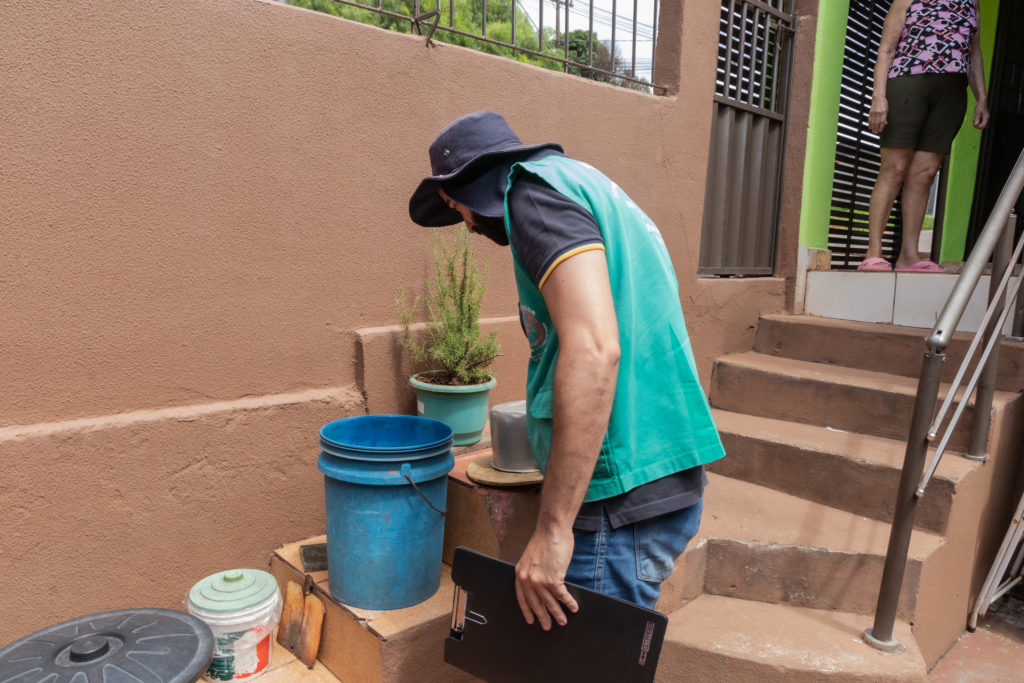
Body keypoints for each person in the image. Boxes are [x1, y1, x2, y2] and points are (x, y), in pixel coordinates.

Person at [408, 111, 725, 630]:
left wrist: (554, 529)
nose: (466, 225)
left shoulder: (532, 196)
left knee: (583, 660)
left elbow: (595, 350)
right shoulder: (583, 183)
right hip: (658, 471)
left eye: (456, 207)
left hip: (618, 497)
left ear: (470, 188)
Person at [858, 0, 989, 273]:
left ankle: (909, 256)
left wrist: (982, 99)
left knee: (925, 173)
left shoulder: (972, 3)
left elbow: (974, 53)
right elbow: (886, 49)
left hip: (951, 94)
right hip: (907, 83)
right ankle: (873, 253)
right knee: (895, 167)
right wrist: (879, 97)